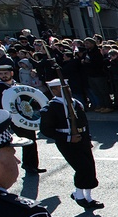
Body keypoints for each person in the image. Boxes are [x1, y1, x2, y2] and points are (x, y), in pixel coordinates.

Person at [39, 78, 103, 209]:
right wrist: (68, 138)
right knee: (82, 168)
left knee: (90, 167)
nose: (68, 90)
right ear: (55, 90)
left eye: (68, 87)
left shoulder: (76, 103)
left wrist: (88, 138)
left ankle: (88, 197)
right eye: (64, 88)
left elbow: (84, 123)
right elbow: (46, 130)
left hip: (82, 139)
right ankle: (79, 196)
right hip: (67, 143)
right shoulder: (51, 108)